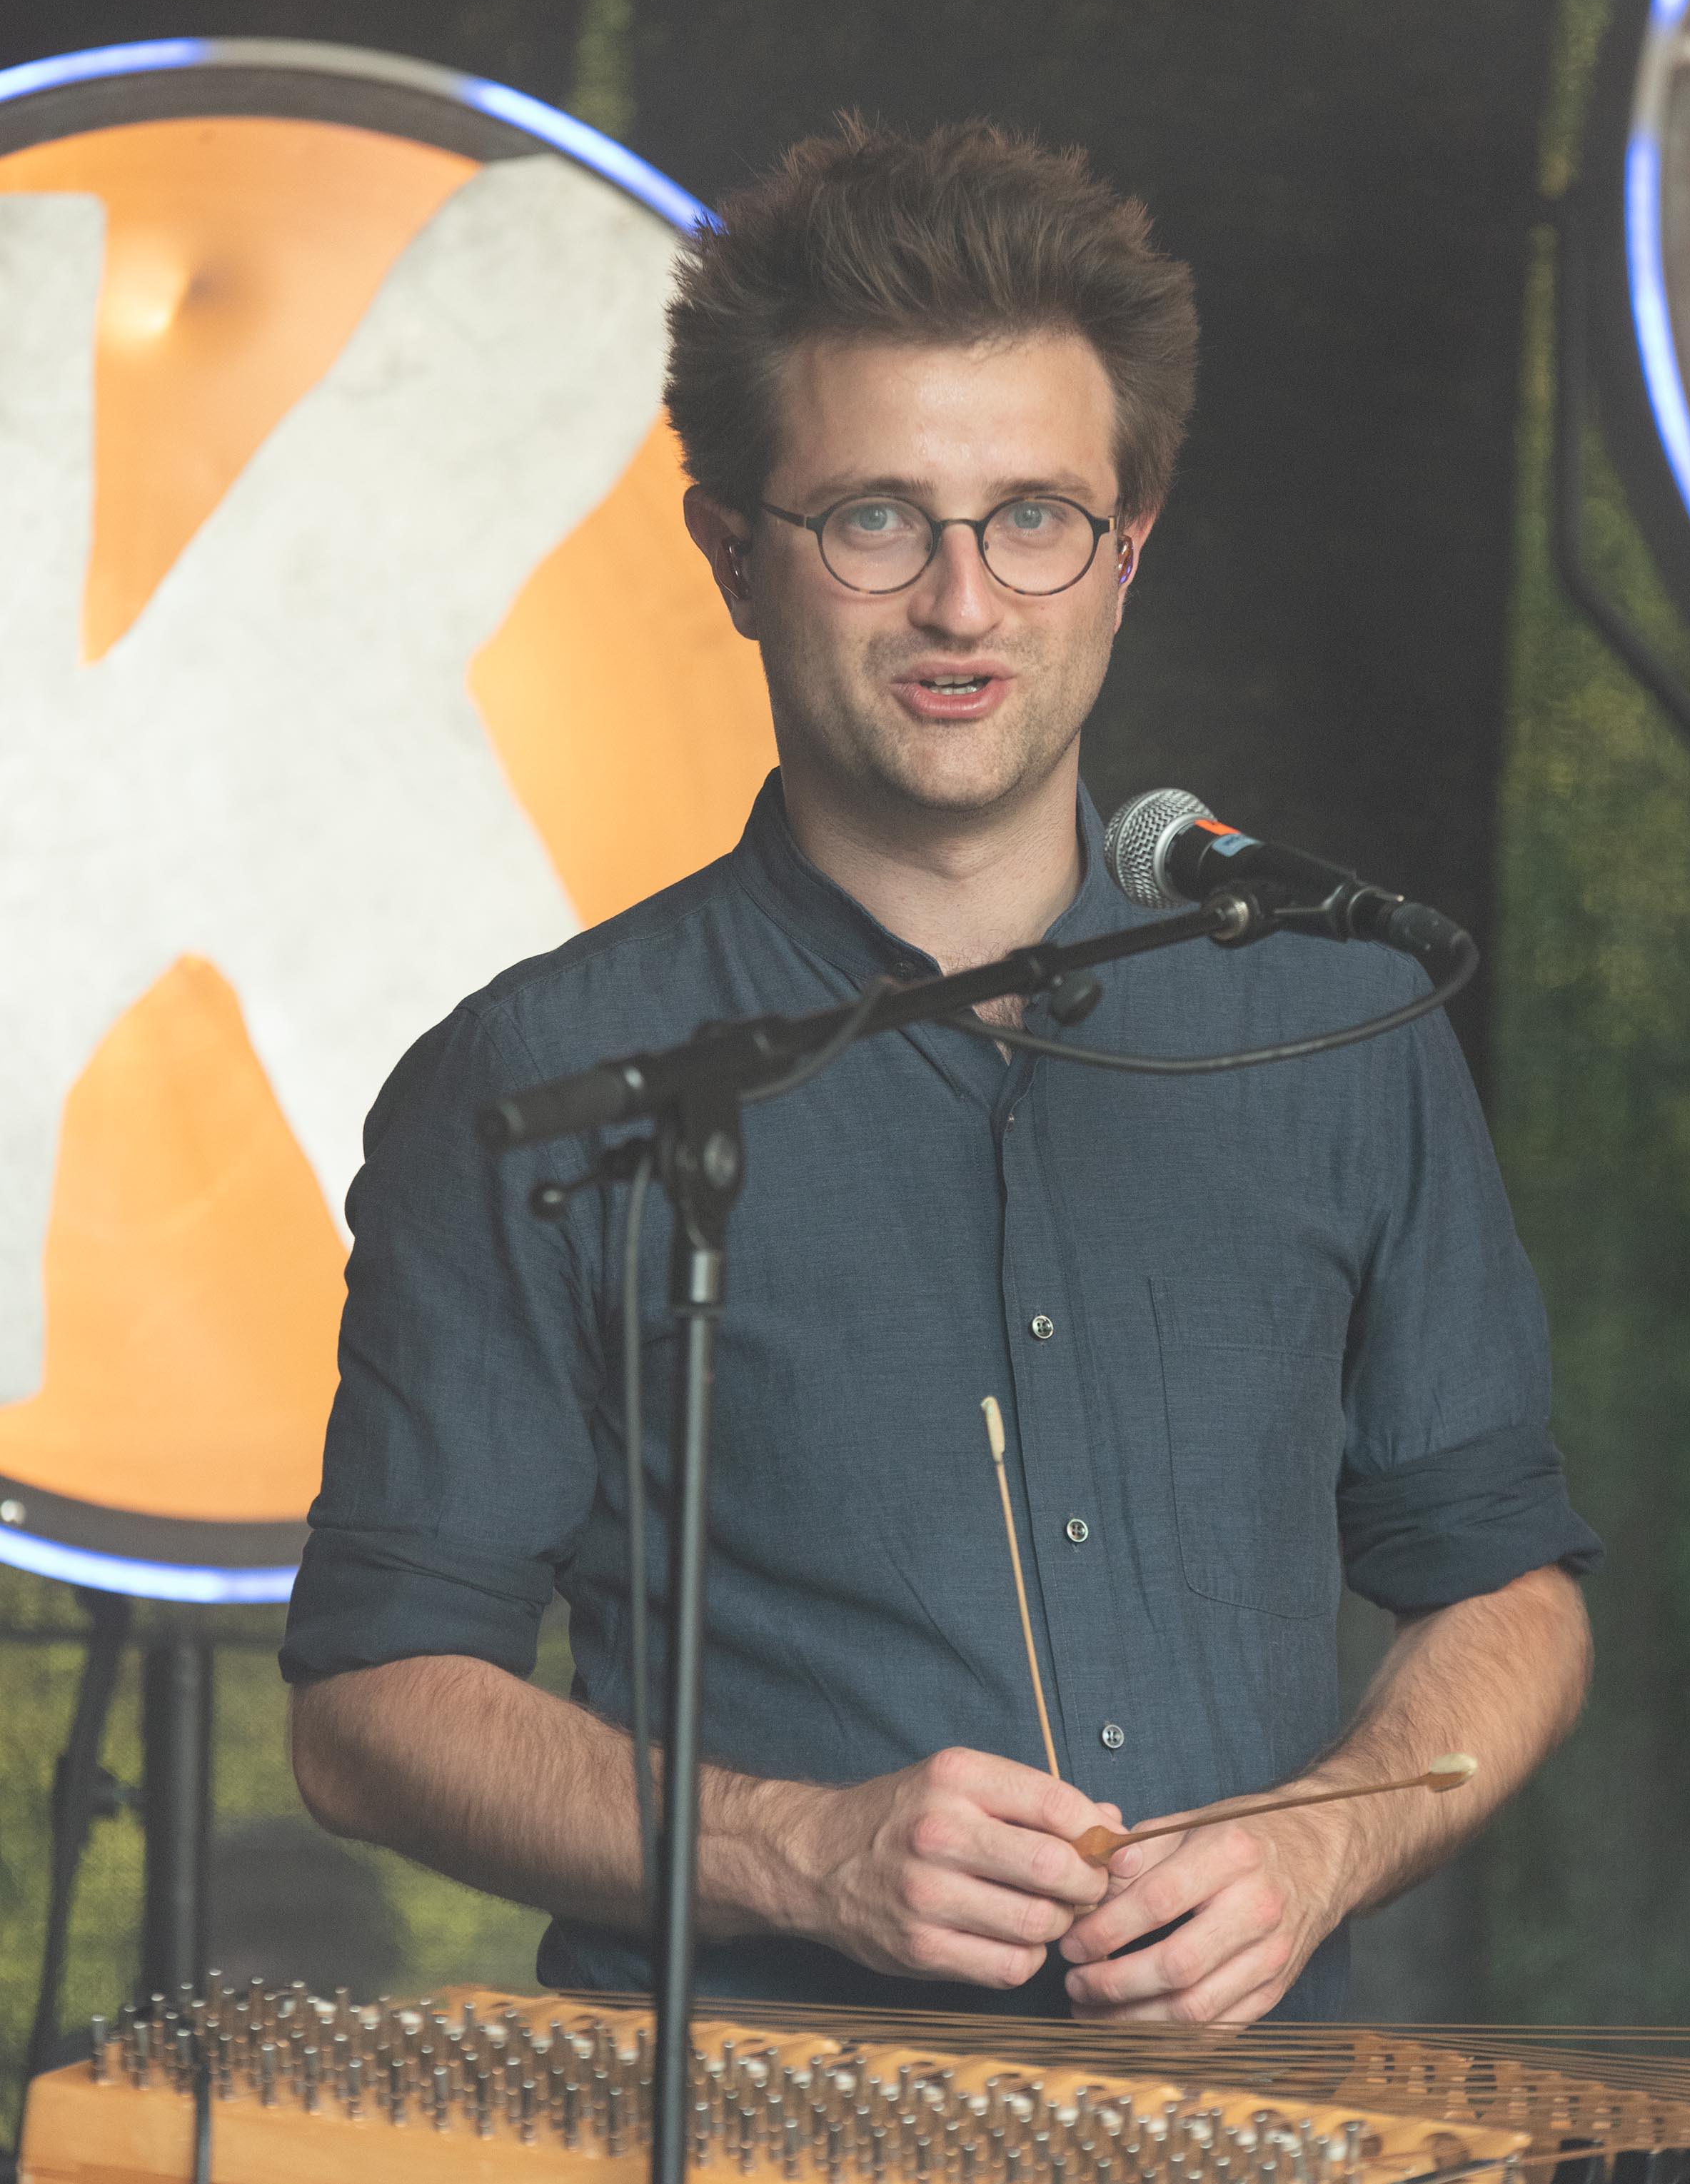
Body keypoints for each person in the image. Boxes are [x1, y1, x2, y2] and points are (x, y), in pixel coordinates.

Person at [283, 116, 1599, 2024]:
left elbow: (1507, 1590)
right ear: (734, 555)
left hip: (1250, 2154)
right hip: (758, 2158)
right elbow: (370, 1706)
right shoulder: (545, 1079)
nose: (964, 606)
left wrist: (1323, 1841)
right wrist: (793, 1848)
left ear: (1125, 552)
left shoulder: (1343, 1024)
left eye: (1034, 518)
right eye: (876, 518)